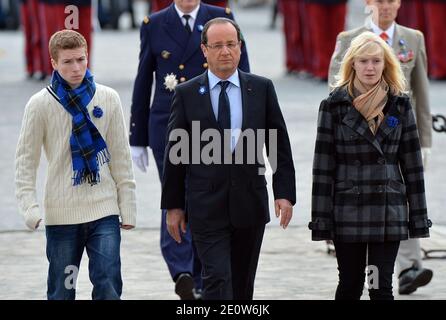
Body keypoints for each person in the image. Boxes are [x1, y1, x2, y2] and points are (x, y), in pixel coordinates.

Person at [161, 17, 296, 300]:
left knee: (243, 286)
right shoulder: (187, 94)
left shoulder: (261, 88)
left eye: (231, 44)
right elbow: (175, 155)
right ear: (204, 50)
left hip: (249, 204)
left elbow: (278, 144)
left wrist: (284, 193)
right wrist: (173, 206)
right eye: (218, 45)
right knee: (217, 280)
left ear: (240, 48)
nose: (225, 51)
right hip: (205, 207)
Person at [129, 0, 250, 300]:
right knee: (176, 192)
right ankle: (182, 270)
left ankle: (199, 272)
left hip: (212, 124)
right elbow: (144, 80)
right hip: (167, 125)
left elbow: (244, 74)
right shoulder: (154, 23)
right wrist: (137, 136)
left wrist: (248, 128)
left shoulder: (221, 18)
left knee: (204, 194)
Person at [15, 30, 136, 300]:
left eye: (81, 60)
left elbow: (120, 156)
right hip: (61, 215)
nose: (77, 67)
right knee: (62, 291)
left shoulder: (108, 98)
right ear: (54, 63)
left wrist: (127, 207)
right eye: (68, 62)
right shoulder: (39, 105)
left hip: (104, 209)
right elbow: (25, 161)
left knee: (108, 287)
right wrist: (29, 208)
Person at [310, 31, 432, 300]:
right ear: (352, 63)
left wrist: (418, 218)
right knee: (350, 283)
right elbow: (323, 167)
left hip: (387, 209)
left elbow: (412, 167)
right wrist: (322, 220)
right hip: (347, 210)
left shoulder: (400, 106)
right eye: (363, 61)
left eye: (376, 61)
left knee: (380, 286)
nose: (370, 67)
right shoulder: (333, 106)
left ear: (385, 65)